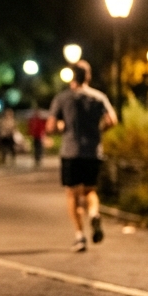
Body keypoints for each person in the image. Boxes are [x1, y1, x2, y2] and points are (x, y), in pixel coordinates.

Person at [47, 60, 116, 252]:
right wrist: (99, 130)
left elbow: (50, 126)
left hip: (70, 151)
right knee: (90, 190)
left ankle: (80, 236)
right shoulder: (99, 97)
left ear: (72, 76)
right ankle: (93, 214)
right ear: (88, 76)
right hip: (92, 151)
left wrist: (62, 127)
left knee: (72, 194)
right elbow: (112, 120)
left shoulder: (62, 98)